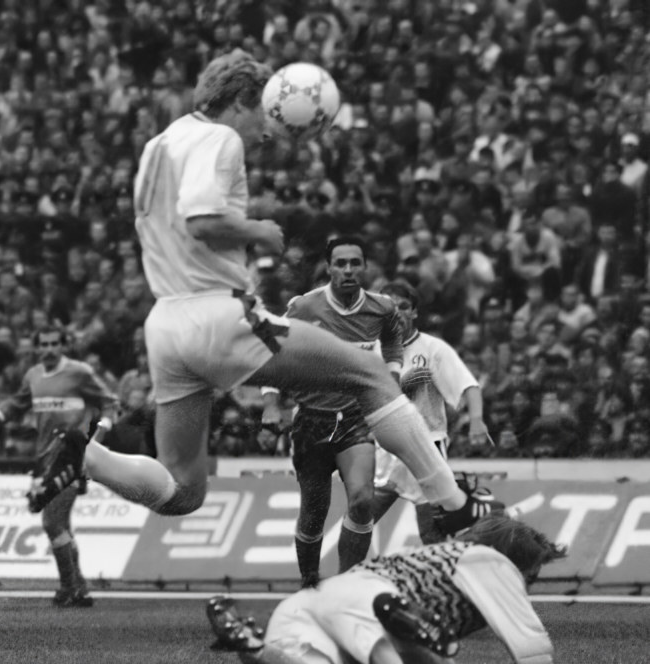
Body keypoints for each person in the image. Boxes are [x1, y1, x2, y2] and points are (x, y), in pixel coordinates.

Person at [26, 50, 502, 539]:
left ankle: (86, 456)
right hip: (217, 313)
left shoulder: (159, 143)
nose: (267, 132)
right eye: (265, 113)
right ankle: (454, 504)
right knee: (371, 373)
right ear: (240, 101)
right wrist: (258, 230)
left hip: (166, 325)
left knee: (183, 491)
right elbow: (202, 219)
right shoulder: (220, 138)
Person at [207, 515, 565, 664]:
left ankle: (252, 646)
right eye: (531, 575)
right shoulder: (495, 567)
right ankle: (406, 639)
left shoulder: (433, 553)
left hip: (314, 603)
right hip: (376, 599)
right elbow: (533, 652)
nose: (529, 585)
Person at [262, 237, 404, 587]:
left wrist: (392, 378)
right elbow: (271, 350)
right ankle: (309, 584)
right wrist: (270, 404)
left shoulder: (382, 308)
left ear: (365, 267)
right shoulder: (303, 307)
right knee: (314, 512)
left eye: (355, 263)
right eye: (341, 263)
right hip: (311, 421)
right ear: (328, 268)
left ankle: (345, 587)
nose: (348, 270)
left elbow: (393, 342)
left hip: (356, 420)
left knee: (362, 501)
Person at [0, 324, 117, 607]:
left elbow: (109, 402)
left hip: (71, 456)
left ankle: (69, 588)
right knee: (62, 525)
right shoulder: (34, 375)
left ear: (63, 345)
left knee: (51, 521)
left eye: (53, 344)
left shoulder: (79, 372)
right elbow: (17, 403)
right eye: (43, 344)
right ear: (36, 348)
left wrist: (98, 435)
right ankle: (80, 589)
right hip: (44, 459)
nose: (48, 349)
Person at [370, 280, 491, 540]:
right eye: (390, 307)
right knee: (360, 520)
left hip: (427, 446)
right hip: (386, 448)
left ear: (414, 312)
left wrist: (477, 420)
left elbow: (468, 385)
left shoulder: (433, 349)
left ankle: (449, 559)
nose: (397, 312)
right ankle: (343, 565)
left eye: (404, 306)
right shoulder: (371, 350)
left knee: (431, 531)